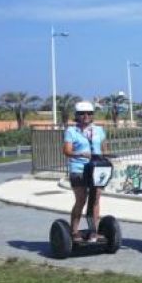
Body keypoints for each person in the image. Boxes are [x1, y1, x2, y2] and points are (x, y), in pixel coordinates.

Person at [62, 101, 106, 241]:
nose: (86, 116)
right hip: (79, 169)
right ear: (77, 115)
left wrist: (105, 160)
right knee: (81, 200)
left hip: (96, 169)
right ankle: (74, 231)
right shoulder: (71, 131)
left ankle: (94, 231)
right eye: (82, 114)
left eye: (89, 113)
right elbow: (67, 151)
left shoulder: (99, 130)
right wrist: (80, 154)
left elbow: (104, 148)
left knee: (95, 200)